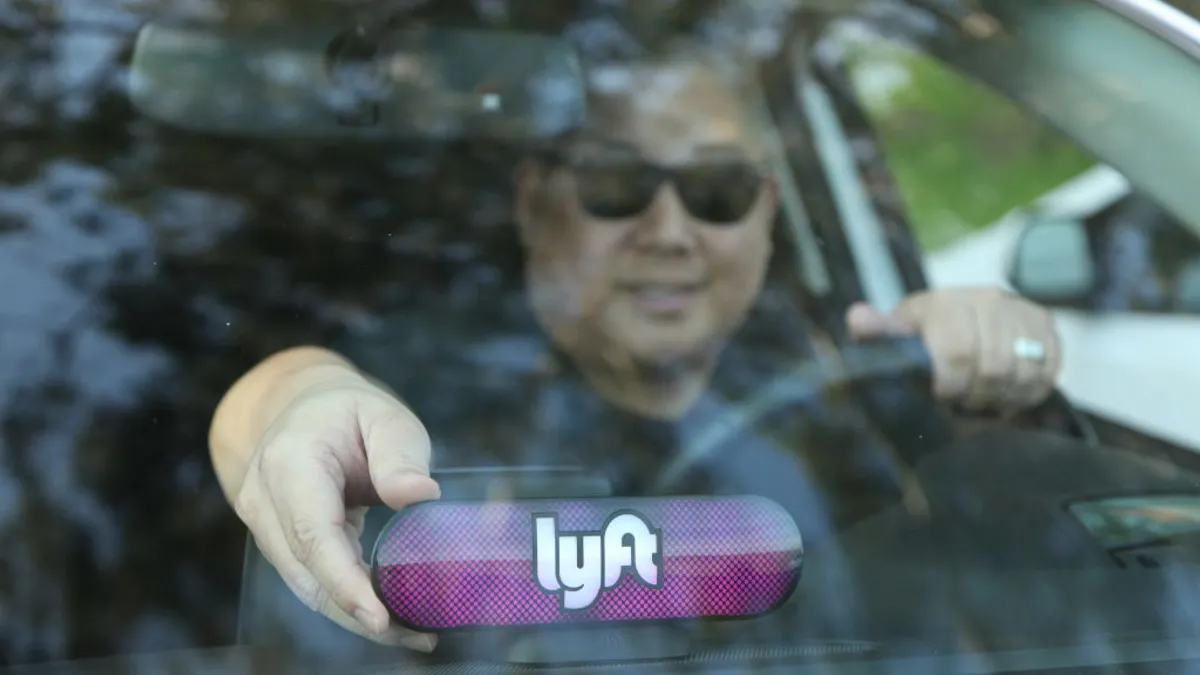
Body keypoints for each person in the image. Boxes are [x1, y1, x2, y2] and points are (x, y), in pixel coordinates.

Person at [207, 50, 1062, 653]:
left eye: (717, 192)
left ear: (767, 212)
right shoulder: (443, 387)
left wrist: (1010, 342)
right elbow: (287, 398)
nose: (671, 231)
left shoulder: (841, 378)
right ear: (537, 200)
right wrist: (293, 402)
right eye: (618, 185)